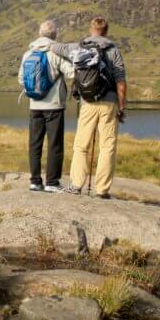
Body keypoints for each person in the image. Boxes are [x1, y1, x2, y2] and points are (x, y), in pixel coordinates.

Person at [50, 17, 127, 199]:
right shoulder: (113, 50)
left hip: (87, 102)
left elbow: (56, 47)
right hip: (109, 103)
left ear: (91, 29)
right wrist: (122, 107)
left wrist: (45, 43)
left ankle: (76, 185)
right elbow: (121, 83)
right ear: (106, 31)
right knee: (107, 146)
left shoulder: (79, 47)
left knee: (81, 145)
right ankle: (102, 190)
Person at [18, 19, 75, 193]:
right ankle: (52, 182)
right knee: (54, 144)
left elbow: (21, 79)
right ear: (54, 35)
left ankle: (35, 181)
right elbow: (72, 73)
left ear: (39, 34)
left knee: (34, 144)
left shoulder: (28, 54)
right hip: (54, 106)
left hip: (34, 106)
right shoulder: (56, 53)